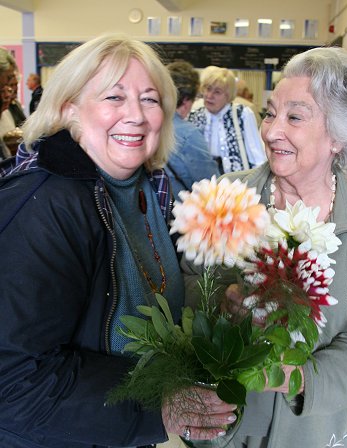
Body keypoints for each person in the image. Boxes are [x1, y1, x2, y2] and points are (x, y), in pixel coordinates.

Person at [0, 34, 237, 448]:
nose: (137, 115)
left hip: (115, 431)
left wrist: (219, 304)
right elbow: (14, 382)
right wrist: (158, 408)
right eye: (114, 97)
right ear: (68, 108)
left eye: (149, 99)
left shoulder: (146, 188)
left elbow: (150, 290)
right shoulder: (45, 206)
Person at [214, 46, 347, 448]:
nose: (270, 131)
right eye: (270, 112)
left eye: (294, 117)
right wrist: (221, 299)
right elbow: (185, 278)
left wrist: (301, 380)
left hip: (312, 429)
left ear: (337, 137)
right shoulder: (228, 196)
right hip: (227, 421)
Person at [188, 67, 266, 174]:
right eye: (208, 88)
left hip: (236, 183)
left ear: (228, 95)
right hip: (202, 182)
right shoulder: (194, 116)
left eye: (217, 92)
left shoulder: (242, 114)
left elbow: (257, 157)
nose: (209, 96)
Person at [165, 60, 220, 200]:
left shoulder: (146, 125)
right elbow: (212, 188)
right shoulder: (189, 135)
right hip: (179, 216)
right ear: (186, 100)